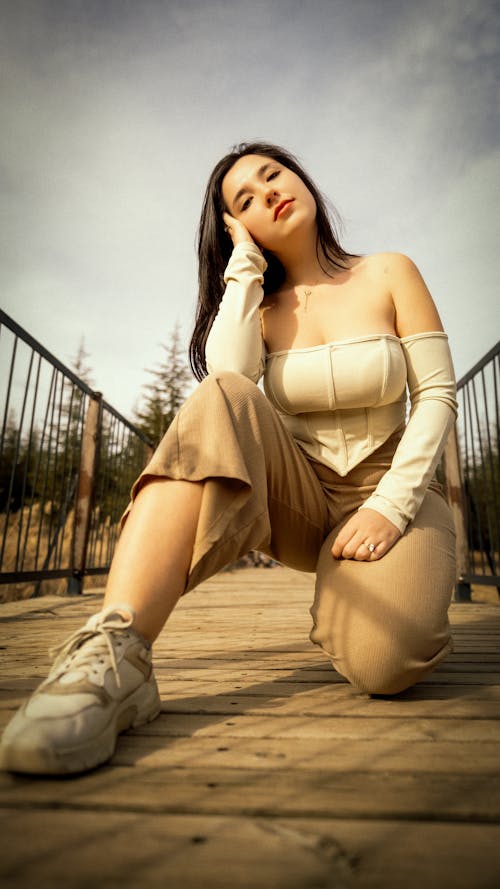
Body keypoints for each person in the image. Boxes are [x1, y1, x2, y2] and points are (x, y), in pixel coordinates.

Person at [0, 142, 458, 775]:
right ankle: (114, 653)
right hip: (302, 497)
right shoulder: (263, 309)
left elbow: (436, 394)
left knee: (387, 665)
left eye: (273, 174)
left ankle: (363, 592)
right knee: (224, 394)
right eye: (246, 199)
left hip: (394, 496)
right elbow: (228, 384)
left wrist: (392, 504)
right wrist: (244, 264)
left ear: (300, 178)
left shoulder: (388, 272)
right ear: (240, 226)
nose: (268, 191)